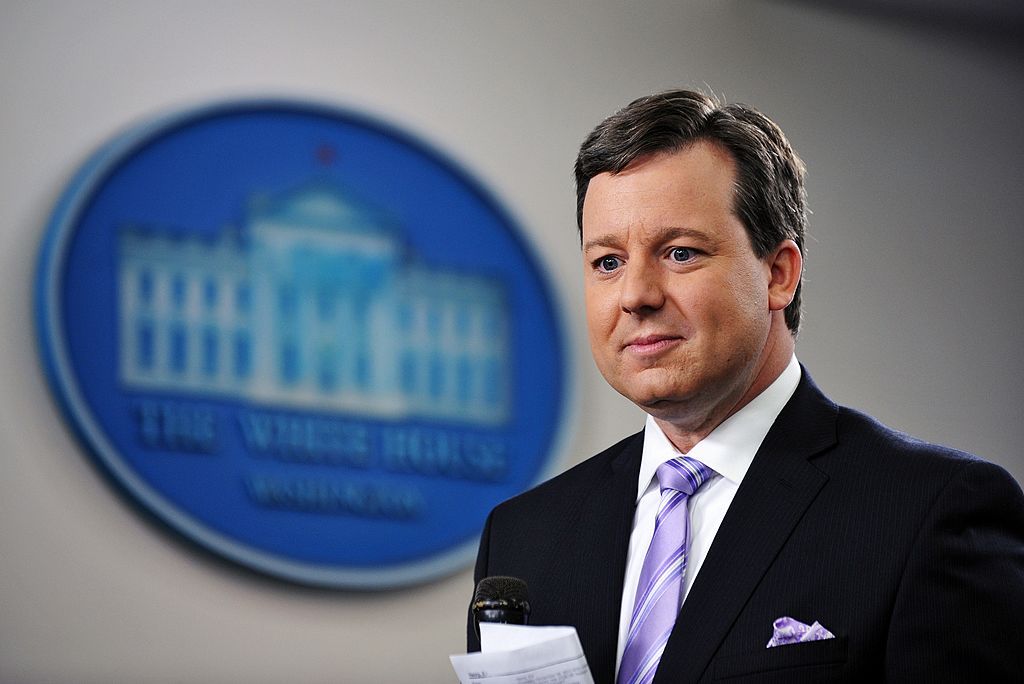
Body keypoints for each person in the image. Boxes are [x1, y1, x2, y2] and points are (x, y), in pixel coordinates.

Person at [468, 89, 1024, 683]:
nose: (636, 295)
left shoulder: (930, 512)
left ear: (778, 275)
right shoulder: (523, 539)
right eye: (608, 262)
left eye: (680, 253)